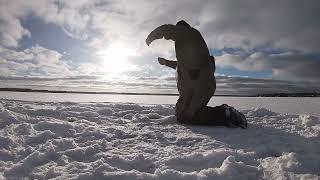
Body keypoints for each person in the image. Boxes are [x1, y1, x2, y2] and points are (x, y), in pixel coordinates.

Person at [146, 20, 247, 128]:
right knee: (181, 111)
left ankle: (226, 114)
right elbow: (180, 66)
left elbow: (167, 29)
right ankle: (223, 113)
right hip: (197, 85)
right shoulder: (189, 51)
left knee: (185, 116)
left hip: (198, 84)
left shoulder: (188, 33)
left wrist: (151, 36)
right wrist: (166, 62)